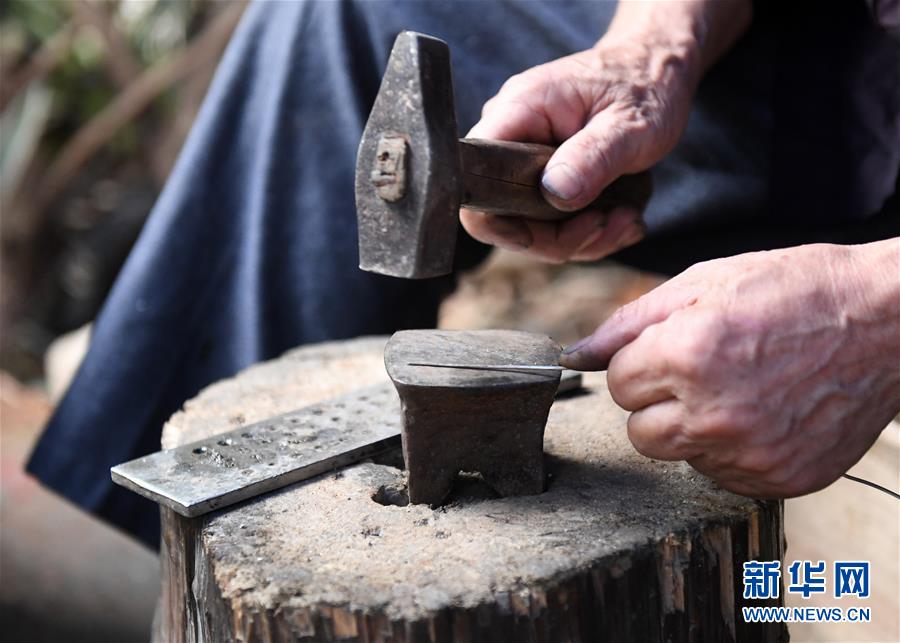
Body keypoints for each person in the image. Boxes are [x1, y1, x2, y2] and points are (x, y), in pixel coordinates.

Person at [28, 0, 900, 547]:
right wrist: (652, 49)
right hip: (843, 63)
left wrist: (871, 313)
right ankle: (151, 537)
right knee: (344, 17)